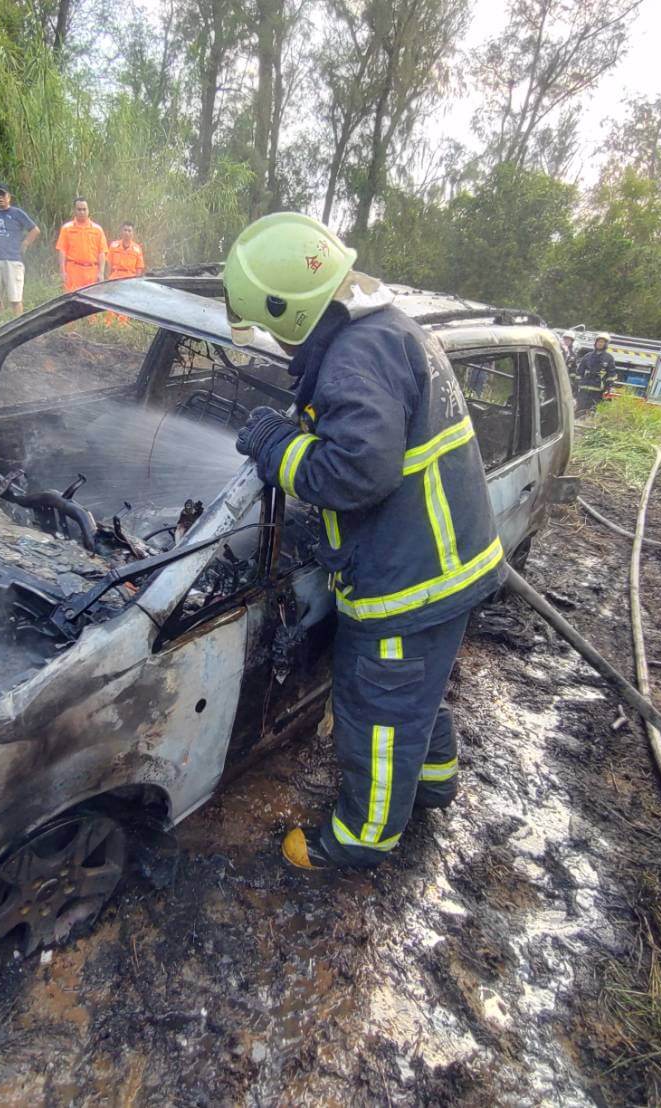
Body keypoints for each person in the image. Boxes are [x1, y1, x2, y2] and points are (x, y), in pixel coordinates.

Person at [223, 212, 503, 872]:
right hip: (444, 562)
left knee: (375, 712)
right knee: (413, 697)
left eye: (268, 326)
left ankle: (358, 840)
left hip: (411, 578)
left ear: (289, 312)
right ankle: (434, 781)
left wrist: (274, 446)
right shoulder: (382, 330)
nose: (272, 341)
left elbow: (355, 472)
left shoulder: (351, 361)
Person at [0, 183, 40, 314]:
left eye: (3, 195)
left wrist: (25, 243)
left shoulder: (17, 213)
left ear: (9, 197)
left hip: (13, 260)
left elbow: (35, 230)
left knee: (15, 299)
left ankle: (18, 328)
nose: (0, 198)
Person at [55, 197, 107, 293]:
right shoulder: (67, 229)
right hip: (73, 272)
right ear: (74, 211)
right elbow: (62, 251)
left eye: (84, 209)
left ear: (88, 210)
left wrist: (101, 272)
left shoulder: (97, 229)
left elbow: (102, 252)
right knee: (72, 303)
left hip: (92, 272)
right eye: (79, 209)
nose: (82, 212)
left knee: (91, 304)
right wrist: (62, 272)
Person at [574, 333, 616, 414]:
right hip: (584, 388)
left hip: (598, 390)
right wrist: (577, 384)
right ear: (595, 343)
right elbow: (579, 372)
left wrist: (608, 387)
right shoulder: (587, 356)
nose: (600, 343)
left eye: (602, 342)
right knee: (579, 409)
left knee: (593, 410)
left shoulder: (609, 358)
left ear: (606, 344)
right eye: (598, 342)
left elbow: (611, 375)